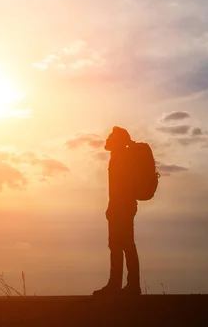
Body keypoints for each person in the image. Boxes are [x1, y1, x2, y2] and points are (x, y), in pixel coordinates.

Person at [93, 126, 141, 296]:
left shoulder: (121, 157)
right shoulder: (119, 156)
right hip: (123, 207)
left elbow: (120, 187)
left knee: (120, 245)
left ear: (117, 141)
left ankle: (119, 286)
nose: (107, 139)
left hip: (122, 208)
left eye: (110, 137)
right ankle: (128, 285)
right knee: (124, 245)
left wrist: (113, 208)